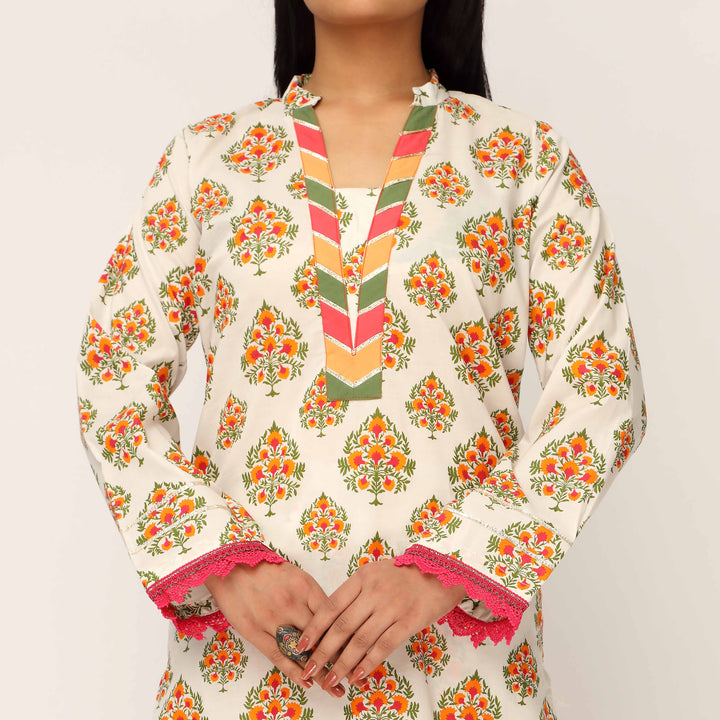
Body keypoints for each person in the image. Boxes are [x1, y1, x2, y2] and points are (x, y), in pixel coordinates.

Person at [74, 1, 648, 717]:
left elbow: (603, 392)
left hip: (463, 673)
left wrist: (451, 567)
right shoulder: (208, 159)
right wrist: (222, 562)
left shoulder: (524, 159)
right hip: (239, 673)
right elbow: (113, 382)